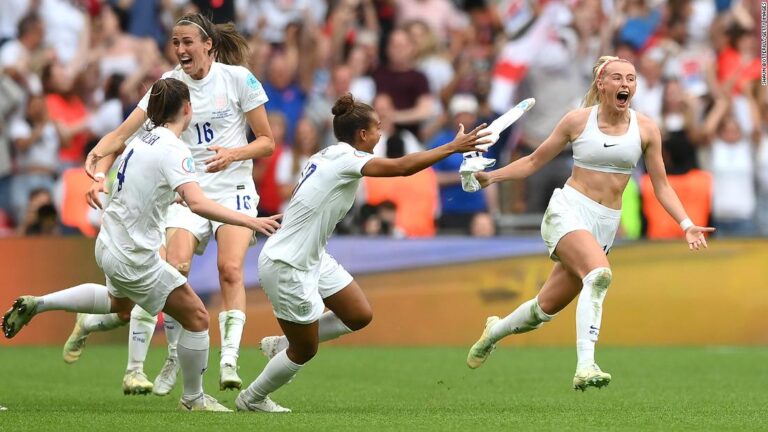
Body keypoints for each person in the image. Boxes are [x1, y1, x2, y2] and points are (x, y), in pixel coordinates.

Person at [1, 77, 280, 411]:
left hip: (108, 244)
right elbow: (199, 204)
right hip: (135, 256)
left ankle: (40, 303)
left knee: (119, 306)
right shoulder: (174, 149)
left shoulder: (140, 137)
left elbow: (135, 167)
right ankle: (192, 398)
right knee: (196, 317)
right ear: (188, 110)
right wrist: (250, 219)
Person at [465, 56, 715, 391]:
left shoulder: (646, 129)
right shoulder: (578, 121)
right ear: (601, 84)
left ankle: (494, 331)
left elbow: (662, 186)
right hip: (569, 210)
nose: (625, 84)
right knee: (598, 276)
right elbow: (534, 160)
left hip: (605, 225)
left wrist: (686, 223)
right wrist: (490, 177)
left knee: (543, 310)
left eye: (631, 78)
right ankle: (585, 366)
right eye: (616, 77)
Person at [235, 93, 491, 413]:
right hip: (287, 262)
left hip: (310, 255)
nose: (381, 134)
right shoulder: (347, 160)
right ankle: (252, 398)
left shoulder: (327, 154)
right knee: (306, 350)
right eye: (377, 128)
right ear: (362, 135)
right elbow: (401, 167)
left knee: (358, 314)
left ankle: (284, 343)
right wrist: (452, 147)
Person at [62, 13, 275, 395]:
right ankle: (174, 356)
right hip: (185, 189)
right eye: (175, 43)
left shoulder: (238, 79)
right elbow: (125, 133)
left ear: (208, 44)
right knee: (174, 269)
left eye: (187, 42)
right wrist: (97, 168)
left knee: (230, 269)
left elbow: (267, 141)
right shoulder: (169, 85)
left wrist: (234, 153)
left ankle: (228, 360)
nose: (180, 50)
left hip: (234, 186)